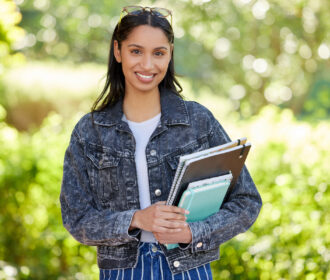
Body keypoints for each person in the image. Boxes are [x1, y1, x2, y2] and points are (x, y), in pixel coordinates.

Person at [60, 5, 262, 280]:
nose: (147, 65)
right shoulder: (90, 131)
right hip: (123, 273)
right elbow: (77, 219)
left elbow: (246, 202)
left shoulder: (198, 122)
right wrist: (136, 219)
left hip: (188, 270)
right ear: (118, 51)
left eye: (159, 53)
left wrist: (193, 232)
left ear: (170, 54)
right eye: (136, 51)